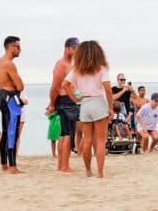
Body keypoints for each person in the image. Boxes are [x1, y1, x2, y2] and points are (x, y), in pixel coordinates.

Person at [62, 40, 113, 178]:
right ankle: (100, 172)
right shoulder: (101, 68)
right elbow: (108, 89)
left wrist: (75, 99)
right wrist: (111, 108)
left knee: (87, 139)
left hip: (85, 103)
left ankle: (88, 171)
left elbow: (65, 84)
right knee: (101, 140)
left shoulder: (77, 69)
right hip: (98, 102)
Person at [48, 37, 82, 173]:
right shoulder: (61, 64)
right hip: (65, 101)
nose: (76, 51)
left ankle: (61, 165)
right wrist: (51, 104)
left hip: (69, 100)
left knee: (64, 134)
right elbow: (54, 87)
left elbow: (74, 85)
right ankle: (64, 165)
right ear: (67, 48)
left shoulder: (72, 65)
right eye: (74, 48)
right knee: (67, 135)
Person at [0, 35, 25, 174]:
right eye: (17, 46)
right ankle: (13, 166)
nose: (20, 49)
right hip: (11, 100)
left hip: (2, 97)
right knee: (12, 132)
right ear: (10, 47)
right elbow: (20, 86)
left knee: (6, 131)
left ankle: (4, 164)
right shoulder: (8, 64)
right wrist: (16, 85)